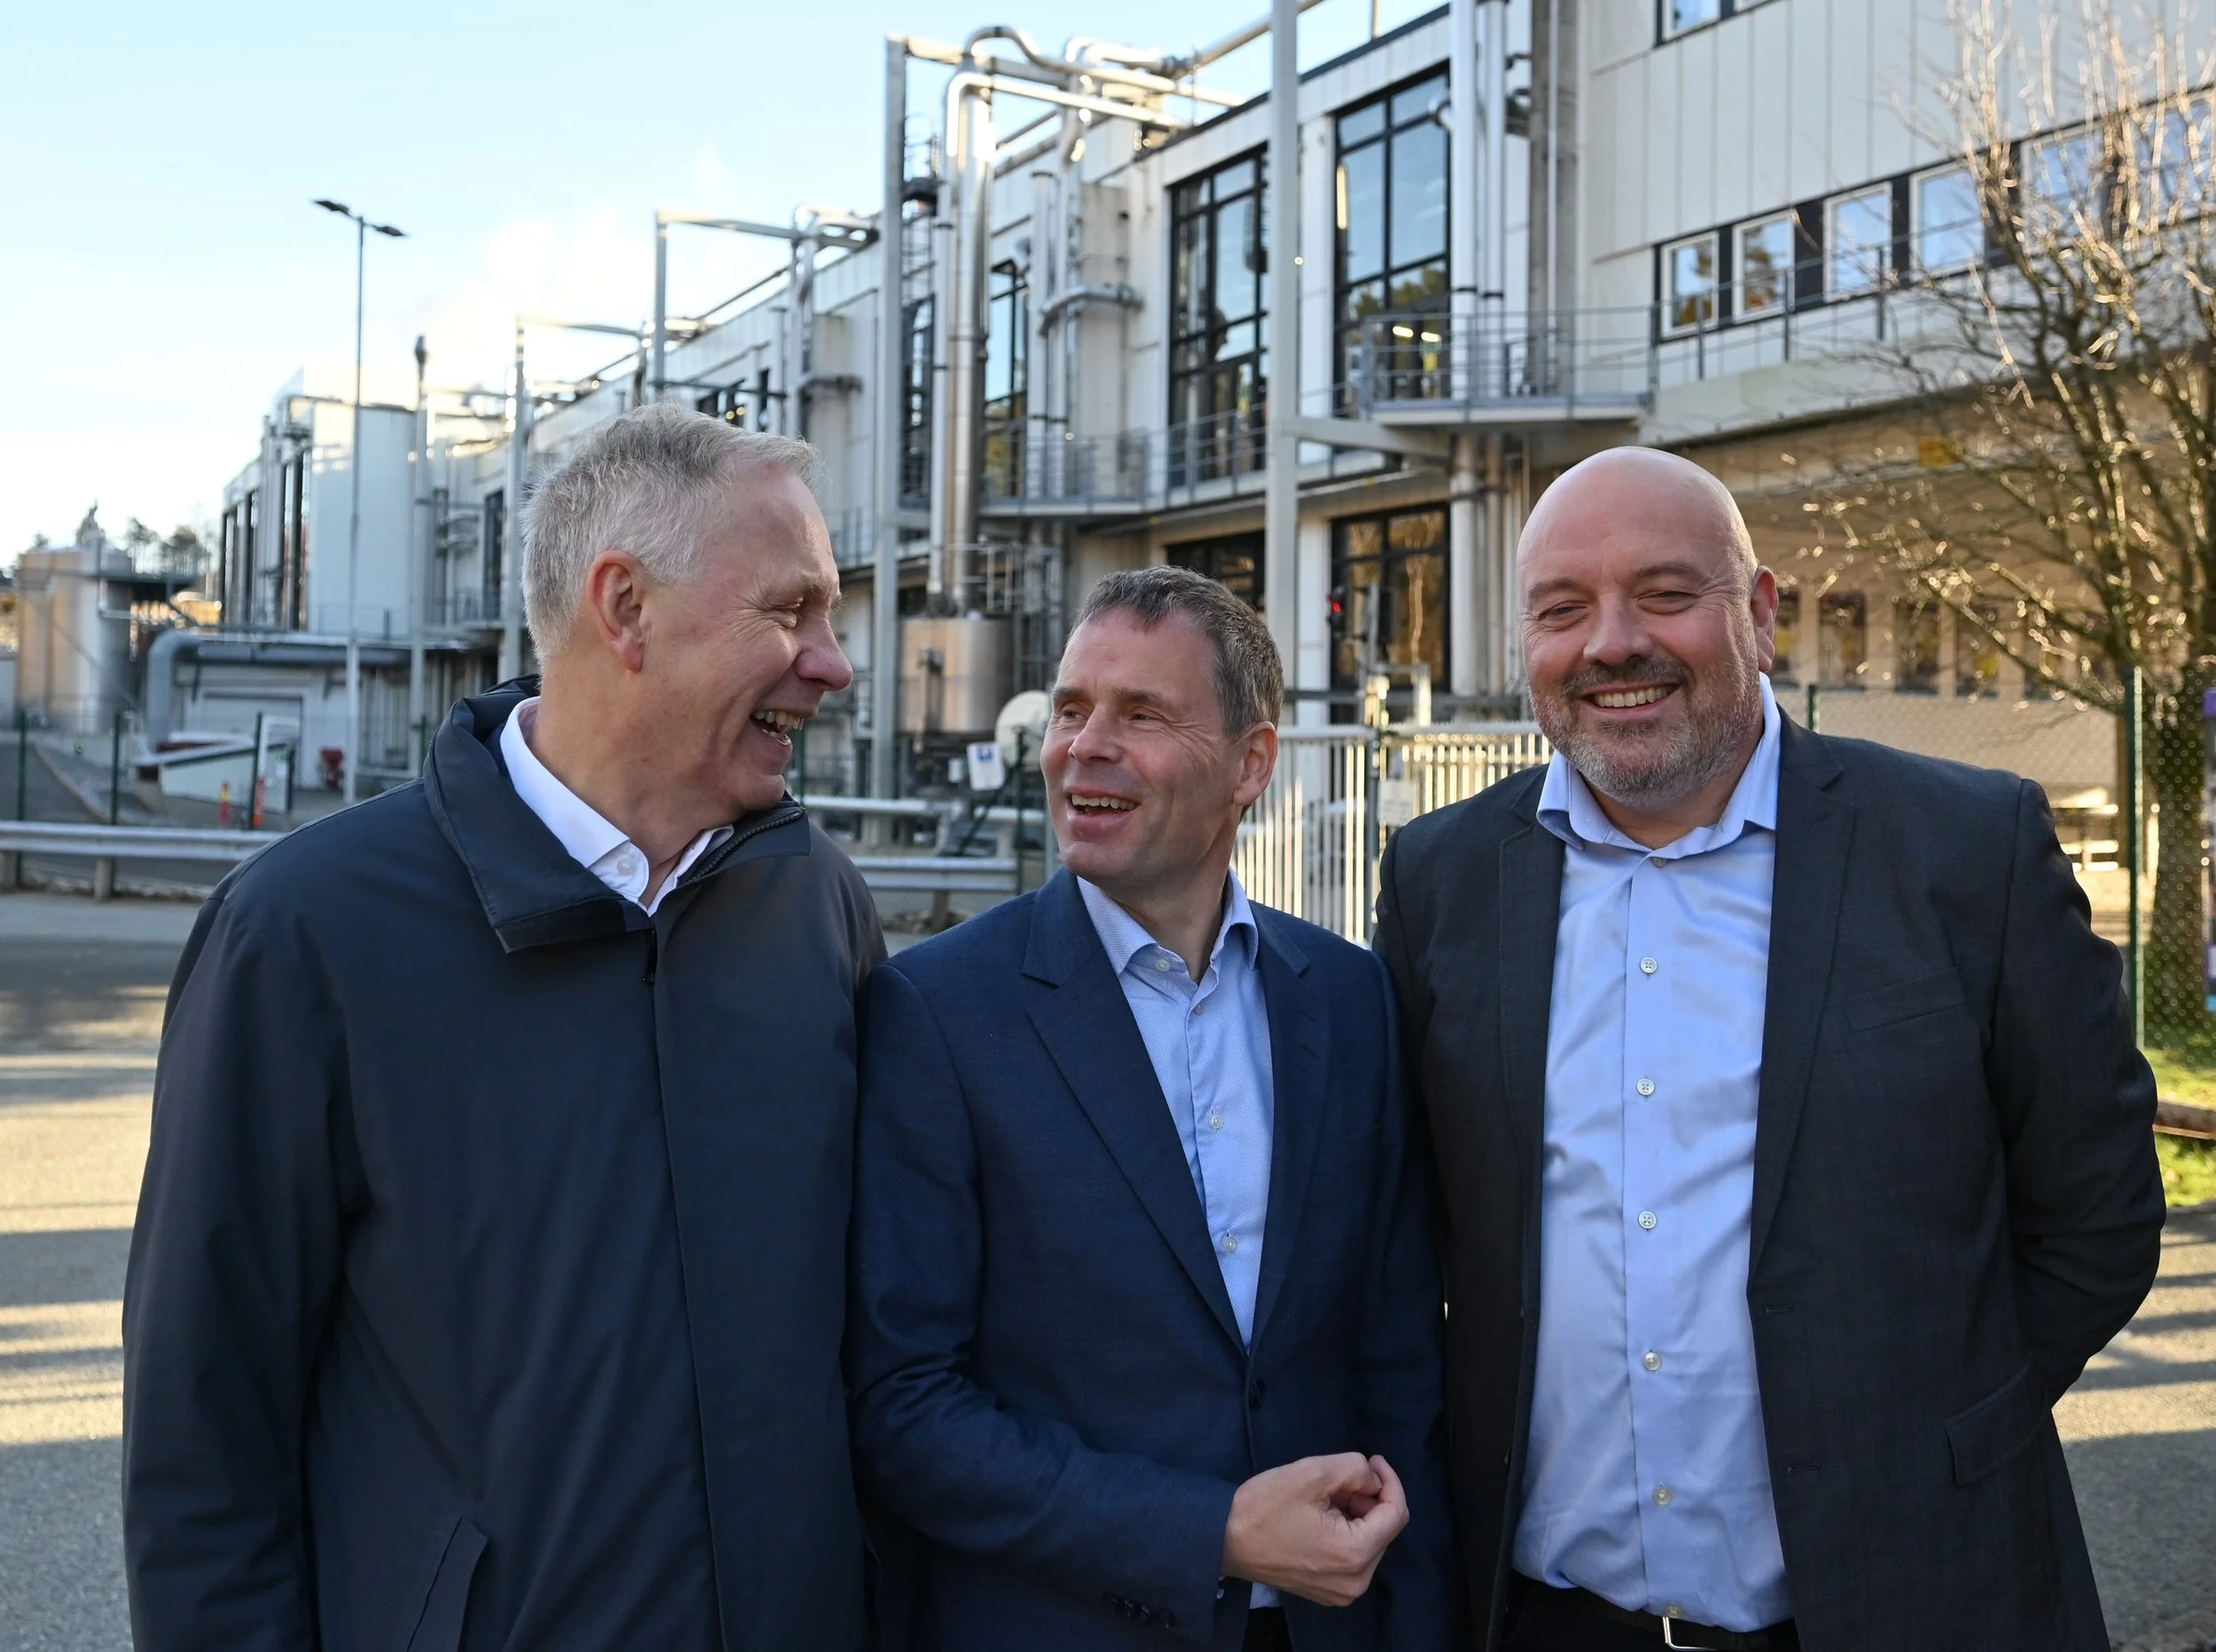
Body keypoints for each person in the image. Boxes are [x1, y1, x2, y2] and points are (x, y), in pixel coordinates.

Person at [1373, 446, 2165, 1652]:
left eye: (1664, 593)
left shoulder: (1968, 851)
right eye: (1562, 609)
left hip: (1914, 1599)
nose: (1612, 643)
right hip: (1543, 1618)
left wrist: (1935, 1433)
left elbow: (2096, 1222)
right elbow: (1414, 1228)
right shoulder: (1442, 878)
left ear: (1759, 611)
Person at [122, 405, 881, 1652]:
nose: (832, 663)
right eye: (791, 610)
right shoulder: (304, 933)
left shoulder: (816, 907)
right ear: (625, 608)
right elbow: (205, 1429)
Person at [847, 567, 1459, 1651]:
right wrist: (1211, 1533)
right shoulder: (937, 1012)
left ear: (1251, 763)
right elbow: (906, 1408)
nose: (1082, 746)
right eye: (1071, 708)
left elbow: (1398, 1364)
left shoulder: (1349, 999)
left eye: (1140, 714)